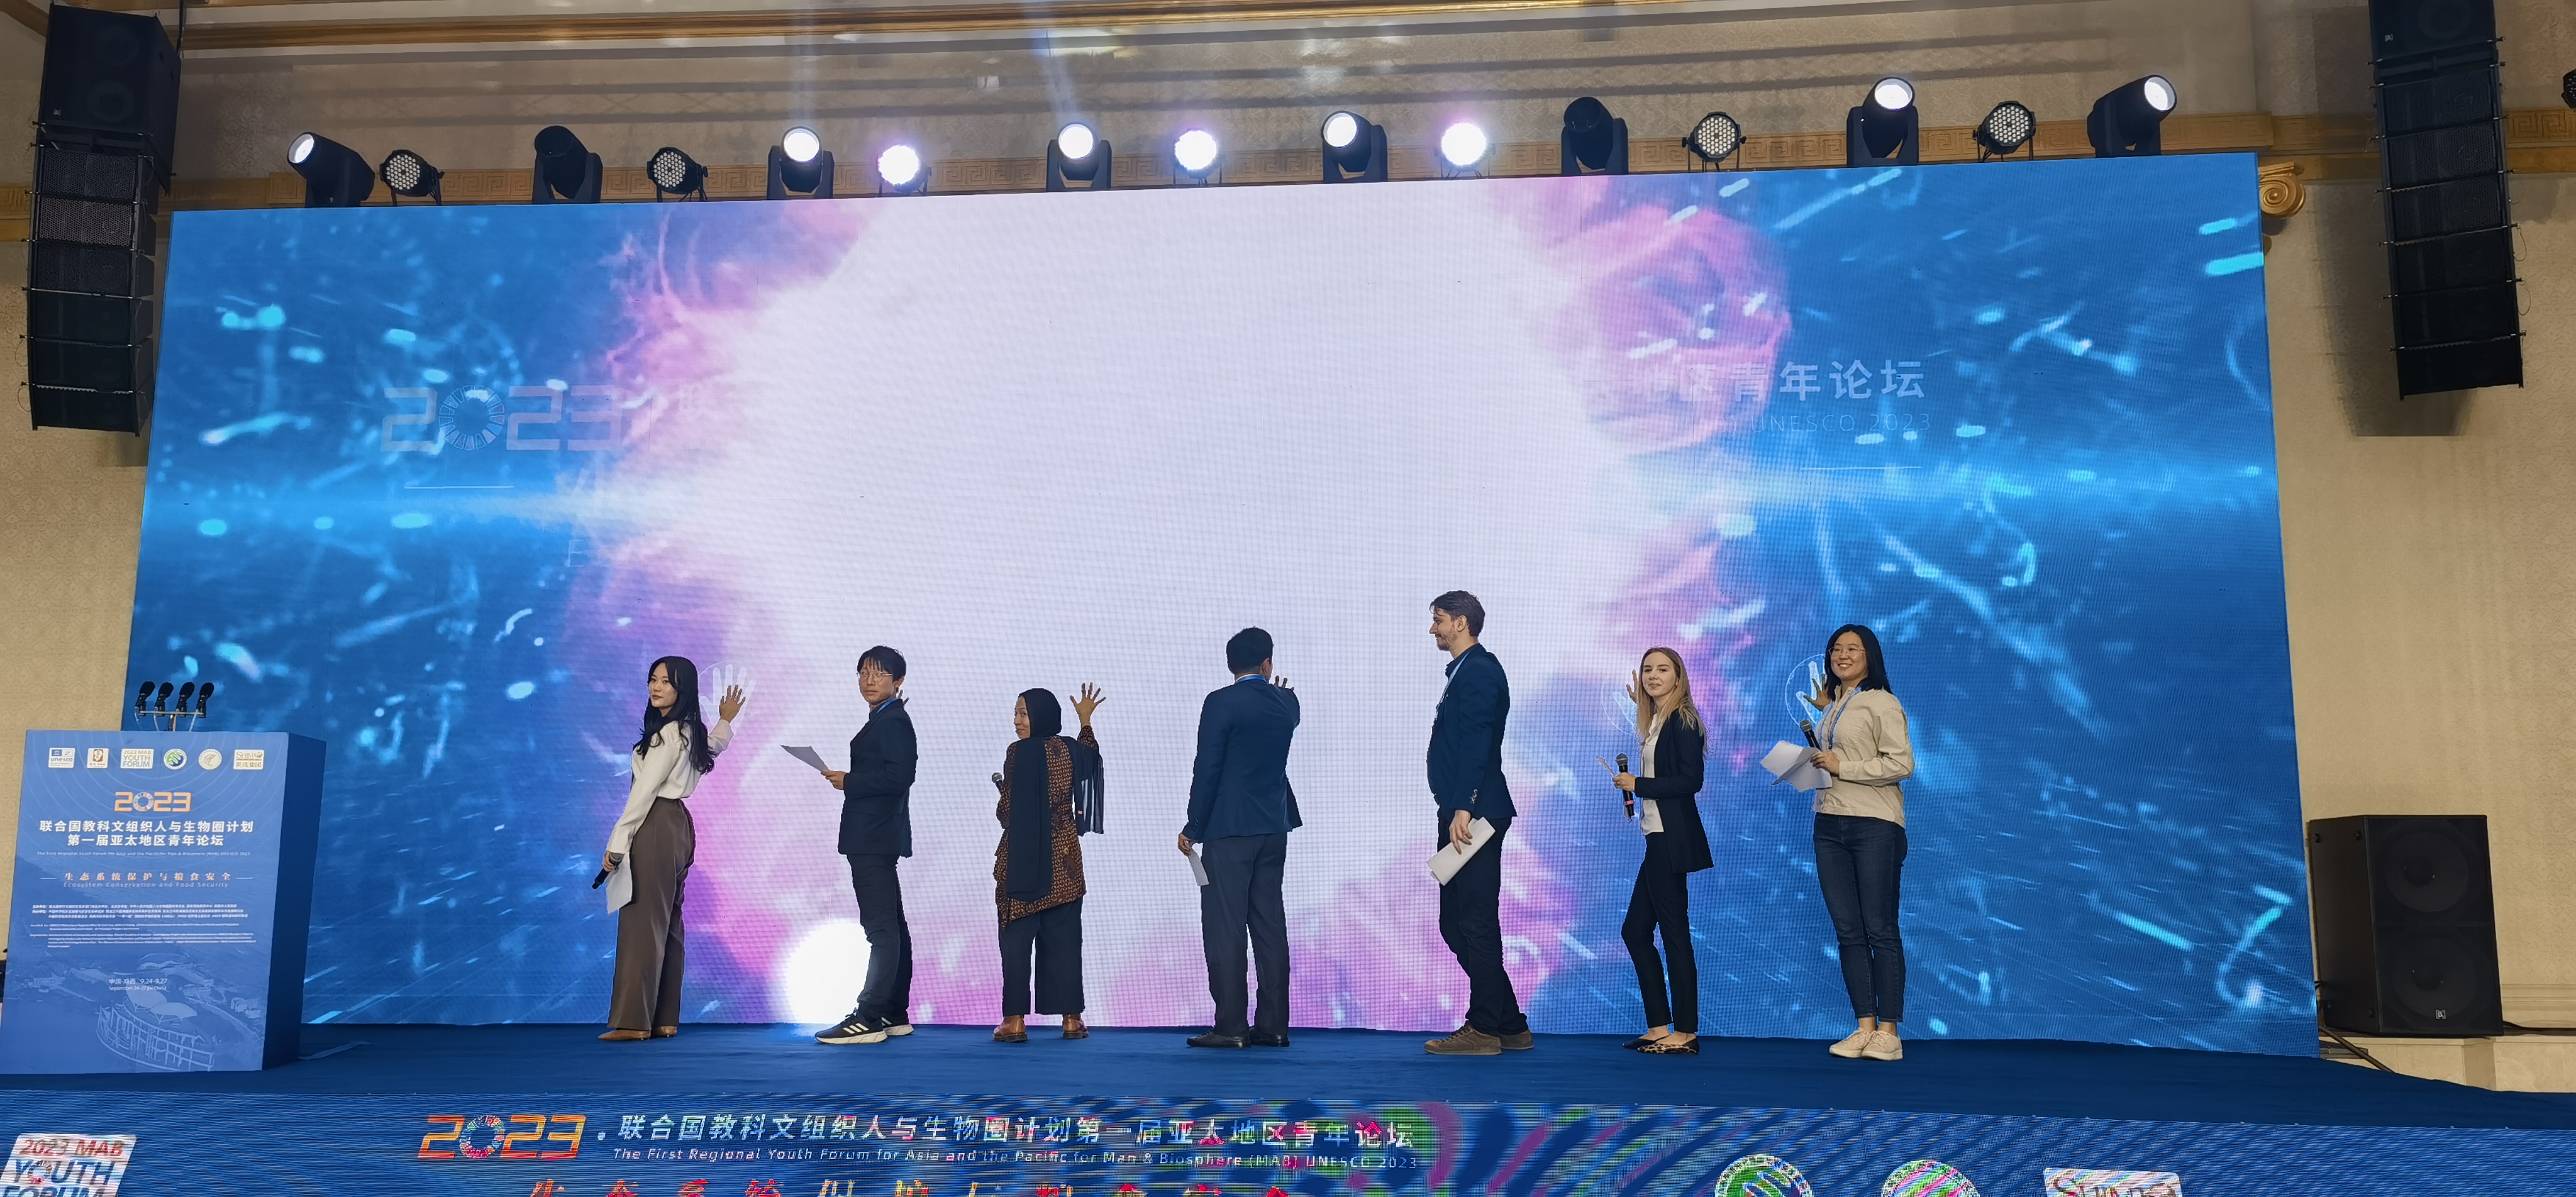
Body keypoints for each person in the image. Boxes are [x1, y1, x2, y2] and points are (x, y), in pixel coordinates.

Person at [599, 655, 743, 1042]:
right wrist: (726, 720)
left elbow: (642, 794)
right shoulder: (691, 732)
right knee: (670, 922)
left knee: (642, 922)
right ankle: (664, 1018)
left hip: (655, 824)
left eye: (666, 681)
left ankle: (634, 1022)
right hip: (679, 826)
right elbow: (715, 746)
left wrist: (617, 844)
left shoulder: (666, 736)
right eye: (653, 679)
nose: (656, 687)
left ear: (683, 689)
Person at [1179, 627, 1302, 1049]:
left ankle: (1231, 1026)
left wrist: (1193, 826)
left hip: (1229, 830)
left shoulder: (1220, 702)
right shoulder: (1288, 703)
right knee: (1269, 928)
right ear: (1268, 663)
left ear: (1231, 664)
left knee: (1225, 928)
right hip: (1274, 827)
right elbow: (1285, 711)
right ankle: (1274, 1027)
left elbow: (1207, 768)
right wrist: (1276, 691)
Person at [1423, 590, 1530, 1056]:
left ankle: (1485, 1028)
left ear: (1461, 623)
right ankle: (1510, 1023)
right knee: (1456, 922)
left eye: (1439, 619)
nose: (1434, 629)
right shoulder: (1465, 671)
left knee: (1475, 920)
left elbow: (1477, 743)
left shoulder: (1480, 671)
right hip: (1463, 811)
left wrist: (1463, 807)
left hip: (1475, 815)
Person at [1806, 624, 1915, 1061]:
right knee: (1848, 932)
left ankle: (1889, 1031)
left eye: (1853, 648)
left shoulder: (1882, 702)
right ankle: (1864, 1026)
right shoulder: (1835, 705)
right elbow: (1834, 757)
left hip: (1874, 825)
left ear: (1871, 656)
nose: (1842, 655)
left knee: (1880, 930)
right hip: (1829, 824)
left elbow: (1901, 764)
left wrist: (1842, 767)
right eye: (1836, 648)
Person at [1613, 646, 1713, 1056]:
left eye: (1663, 670)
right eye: (1648, 670)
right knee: (1635, 932)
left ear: (1678, 676)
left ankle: (1685, 1032)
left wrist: (1638, 785)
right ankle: (1658, 1025)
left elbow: (1690, 781)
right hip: (1656, 836)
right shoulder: (1656, 721)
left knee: (1674, 935)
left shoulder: (1683, 721)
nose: (1653, 676)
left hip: (1670, 839)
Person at [992, 684, 1106, 1044]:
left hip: (1023, 861)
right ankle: (1072, 1019)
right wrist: (1085, 721)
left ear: (1039, 716)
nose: (1016, 721)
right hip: (1064, 863)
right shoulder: (1071, 750)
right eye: (1016, 713)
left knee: (1016, 939)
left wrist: (1004, 801)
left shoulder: (1017, 753)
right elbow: (1091, 758)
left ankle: (1014, 1021)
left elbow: (1007, 812)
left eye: (1023, 713)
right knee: (1066, 941)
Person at [816, 646, 918, 1047]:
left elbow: (899, 777)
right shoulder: (884, 718)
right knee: (892, 925)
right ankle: (893, 1012)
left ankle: (869, 1017)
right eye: (863, 673)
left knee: (881, 929)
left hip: (874, 835)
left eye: (879, 674)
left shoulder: (893, 721)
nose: (869, 680)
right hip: (876, 834)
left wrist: (850, 781)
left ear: (898, 681)